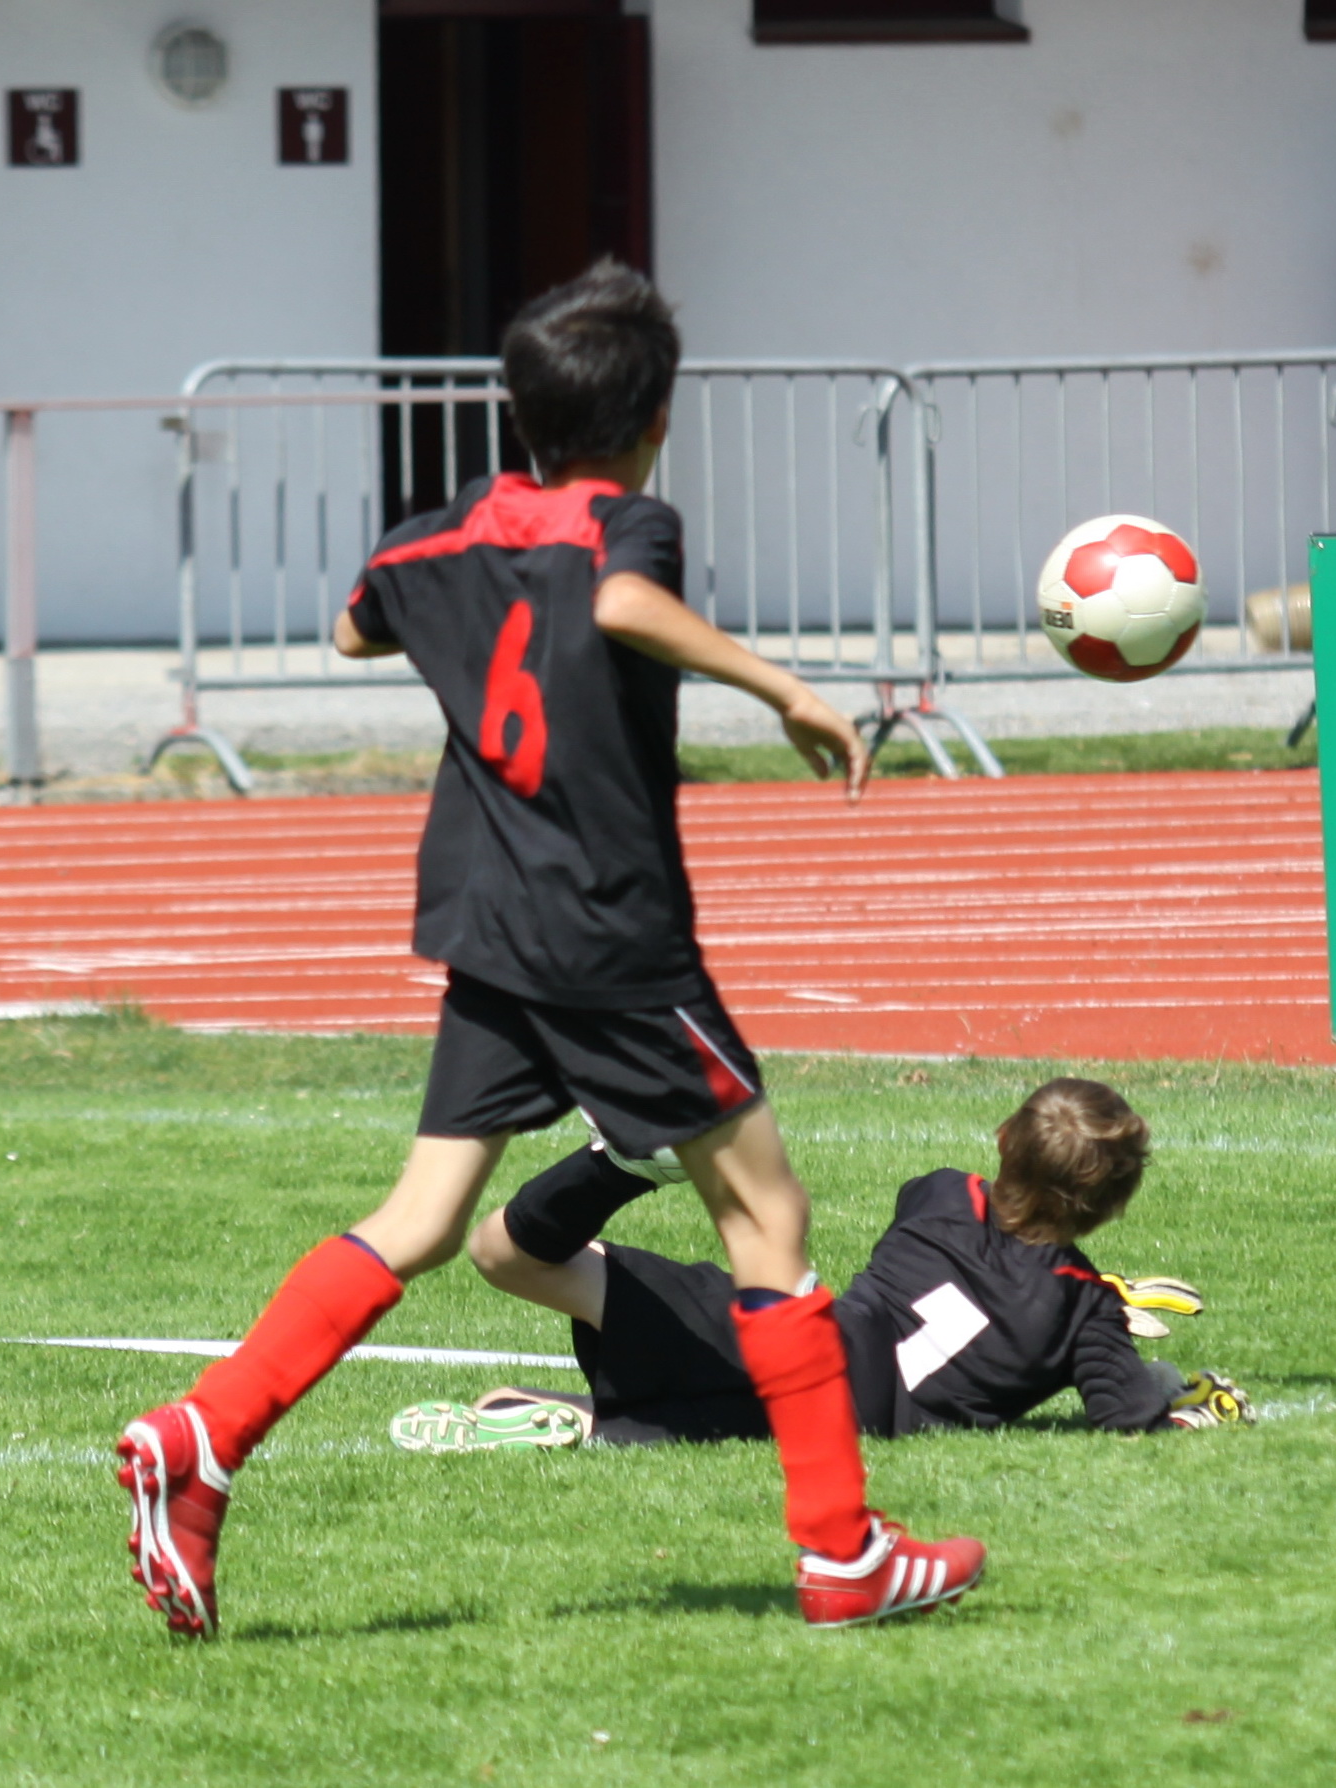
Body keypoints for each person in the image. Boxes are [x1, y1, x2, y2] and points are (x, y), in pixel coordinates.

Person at [112, 260, 984, 1636]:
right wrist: (785, 689)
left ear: (517, 414)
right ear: (655, 419)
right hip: (608, 934)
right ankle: (842, 1552)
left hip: (491, 927)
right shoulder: (630, 526)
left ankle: (203, 1436)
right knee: (767, 1220)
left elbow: (352, 627)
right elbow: (621, 606)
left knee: (420, 1220)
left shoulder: (437, 538)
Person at [402, 1079, 1248, 1452]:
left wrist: (1089, 1294)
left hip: (791, 1334)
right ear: (1115, 1204)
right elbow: (1124, 1415)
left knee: (503, 1253)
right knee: (670, 1428)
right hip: (831, 1424)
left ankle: (619, 1167)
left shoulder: (942, 1195)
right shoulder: (1079, 1307)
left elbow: (992, 1256)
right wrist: (1188, 1398)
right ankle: (581, 1427)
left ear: (1001, 1142)